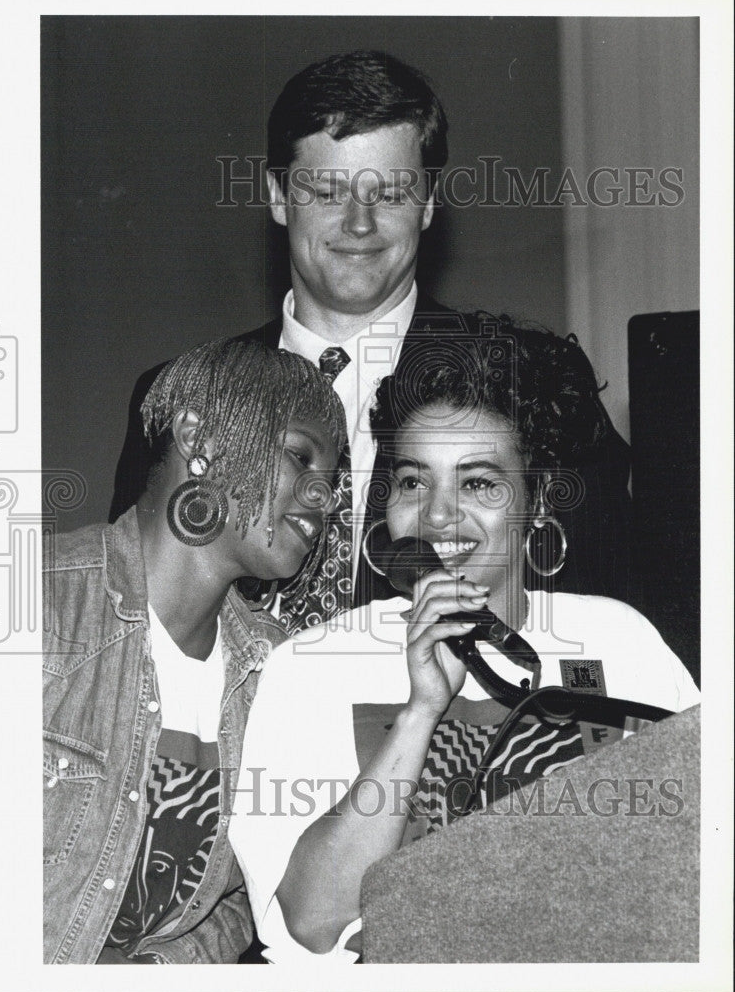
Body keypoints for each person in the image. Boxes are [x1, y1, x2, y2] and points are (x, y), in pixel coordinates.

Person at [227, 321, 700, 963]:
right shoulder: (310, 666)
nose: (439, 514)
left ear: (535, 504)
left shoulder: (623, 641)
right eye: (413, 481)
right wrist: (422, 711)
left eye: (477, 483)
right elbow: (308, 922)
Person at [108, 50, 633, 624]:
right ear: (279, 197)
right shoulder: (182, 394)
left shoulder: (529, 376)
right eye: (329, 192)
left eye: (388, 194)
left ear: (429, 203)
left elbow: (609, 612)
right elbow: (129, 621)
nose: (359, 223)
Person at [42, 339, 346, 963]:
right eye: (299, 457)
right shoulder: (34, 601)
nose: (326, 497)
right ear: (197, 438)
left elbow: (244, 899)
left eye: (333, 479)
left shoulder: (277, 671)